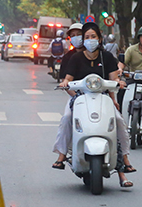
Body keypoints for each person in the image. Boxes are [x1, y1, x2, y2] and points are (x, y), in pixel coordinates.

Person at [52, 22, 136, 188]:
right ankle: (61, 155)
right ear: (83, 40)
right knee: (67, 118)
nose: (90, 40)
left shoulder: (107, 58)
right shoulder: (75, 58)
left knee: (118, 122)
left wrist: (116, 89)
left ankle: (125, 160)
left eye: (93, 37)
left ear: (99, 38)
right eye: (87, 37)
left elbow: (113, 80)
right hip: (80, 98)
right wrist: (65, 84)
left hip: (103, 98)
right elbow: (68, 79)